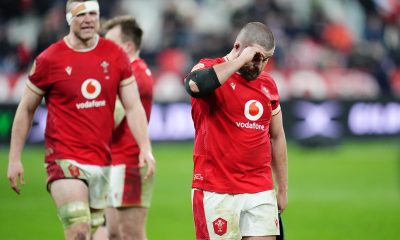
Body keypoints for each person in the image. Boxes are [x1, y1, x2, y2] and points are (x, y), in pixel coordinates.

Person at [6, 1, 155, 240]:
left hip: (103, 160)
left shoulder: (115, 55)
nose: (88, 19)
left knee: (101, 232)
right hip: (64, 158)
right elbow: (26, 109)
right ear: (67, 18)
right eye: (81, 14)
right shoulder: (49, 59)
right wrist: (14, 158)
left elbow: (132, 105)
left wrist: (145, 147)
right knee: (79, 229)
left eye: (93, 14)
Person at [184, 22, 288, 240]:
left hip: (259, 188)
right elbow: (194, 86)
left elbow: (277, 137)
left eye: (265, 59)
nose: (260, 65)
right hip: (215, 188)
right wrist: (241, 59)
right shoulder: (208, 68)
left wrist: (282, 189)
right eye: (256, 57)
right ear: (238, 46)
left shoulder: (268, 85)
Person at [94, 16, 155, 240]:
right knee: (112, 232)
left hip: (129, 164)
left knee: (130, 234)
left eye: (110, 42)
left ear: (127, 46)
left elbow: (112, 117)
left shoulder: (134, 74)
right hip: (116, 162)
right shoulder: (133, 72)